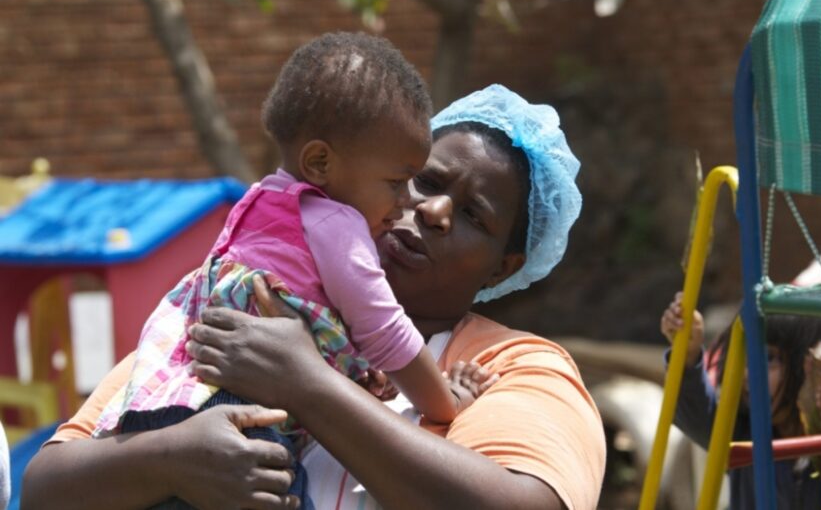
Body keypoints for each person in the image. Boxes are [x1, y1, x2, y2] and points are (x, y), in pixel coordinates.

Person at [22, 84, 606, 510]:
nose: (431, 210)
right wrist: (170, 456)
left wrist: (306, 381)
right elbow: (45, 488)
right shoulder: (236, 305)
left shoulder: (512, 368)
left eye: (473, 215)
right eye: (423, 181)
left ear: (503, 267)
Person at [93, 32, 494, 507]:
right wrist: (444, 402)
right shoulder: (336, 224)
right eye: (396, 181)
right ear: (320, 162)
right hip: (239, 419)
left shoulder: (261, 203)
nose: (406, 201)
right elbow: (386, 333)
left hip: (162, 408)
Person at [660, 291, 821, 509]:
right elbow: (694, 413)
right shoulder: (743, 435)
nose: (747, 375)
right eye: (744, 358)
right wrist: (687, 354)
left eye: (769, 358)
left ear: (811, 366)